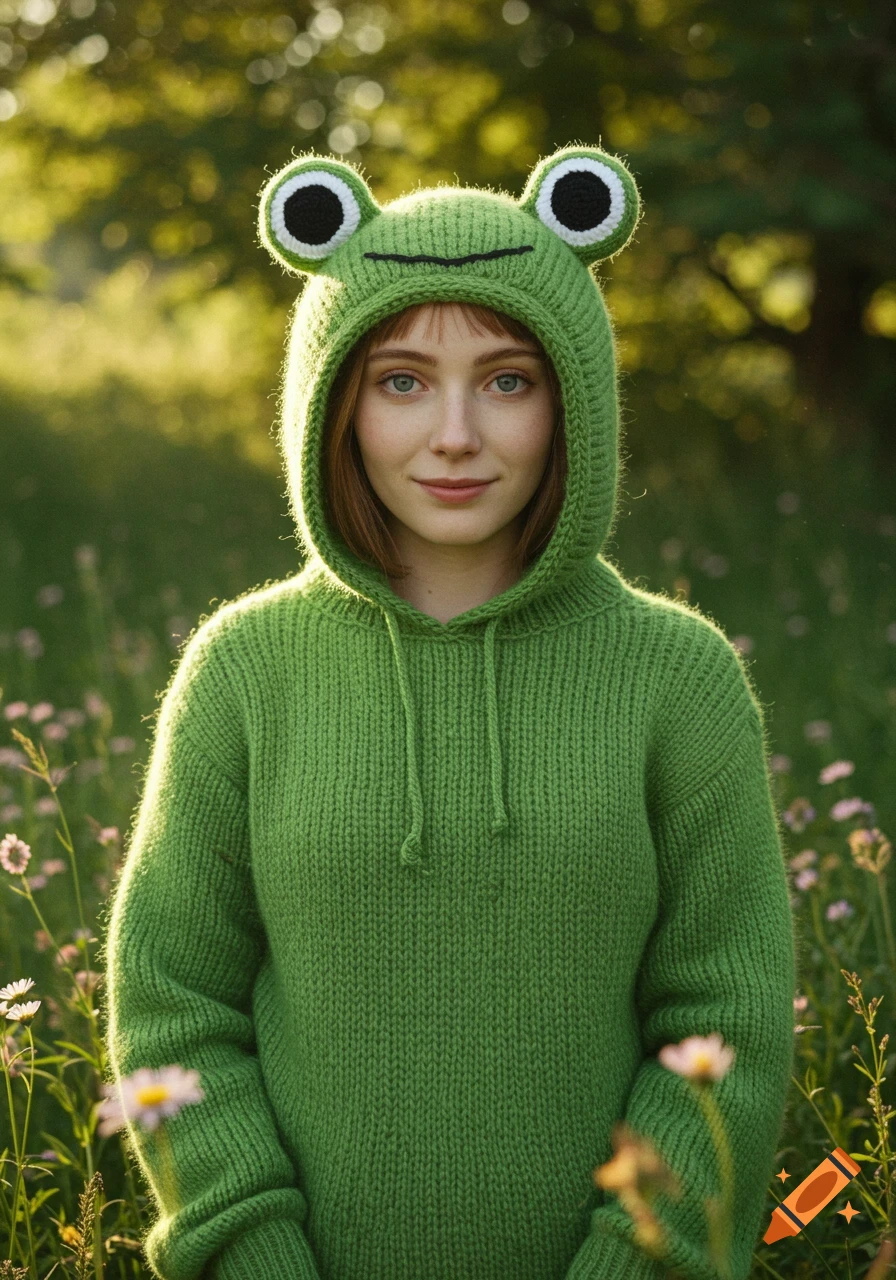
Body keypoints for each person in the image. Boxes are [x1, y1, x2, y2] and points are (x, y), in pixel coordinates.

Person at [101, 145, 797, 1280]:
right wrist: (253, 1257)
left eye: (508, 379)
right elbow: (172, 1009)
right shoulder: (244, 668)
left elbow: (723, 1026)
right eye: (402, 380)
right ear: (334, 401)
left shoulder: (678, 676)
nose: (457, 434)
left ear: (574, 397)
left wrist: (638, 1263)